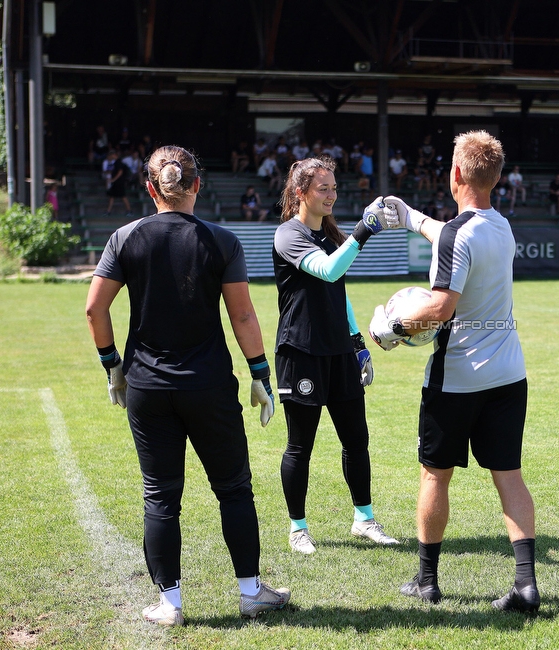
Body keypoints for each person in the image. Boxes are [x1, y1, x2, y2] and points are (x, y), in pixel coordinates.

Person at [84, 145, 291, 627]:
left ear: (151, 188)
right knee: (235, 489)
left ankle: (170, 604)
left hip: (147, 386)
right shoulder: (222, 240)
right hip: (210, 385)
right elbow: (242, 313)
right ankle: (250, 593)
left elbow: (95, 309)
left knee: (160, 495)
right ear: (198, 185)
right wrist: (261, 375)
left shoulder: (124, 237)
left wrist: (111, 364)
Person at [371, 130, 539, 614]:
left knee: (434, 477)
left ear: (457, 173)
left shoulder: (455, 235)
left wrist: (394, 329)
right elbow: (454, 234)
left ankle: (426, 581)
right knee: (509, 476)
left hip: (457, 379)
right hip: (508, 375)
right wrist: (410, 218)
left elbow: (442, 307)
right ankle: (526, 585)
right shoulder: (502, 226)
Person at [271, 155, 400, 556]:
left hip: (339, 353)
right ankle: (298, 528)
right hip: (301, 352)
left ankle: (364, 519)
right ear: (300, 192)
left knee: (356, 440)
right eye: (323, 188)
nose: (331, 195)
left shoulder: (330, 235)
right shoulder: (288, 235)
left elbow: (337, 291)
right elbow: (327, 271)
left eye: (334, 188)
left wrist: (358, 344)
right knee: (300, 446)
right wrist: (363, 231)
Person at [104, 151, 132, 217]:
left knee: (123, 196)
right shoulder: (116, 162)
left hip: (119, 183)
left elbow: (120, 172)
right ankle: (108, 211)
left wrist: (113, 179)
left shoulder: (118, 162)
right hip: (116, 183)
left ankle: (129, 210)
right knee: (112, 196)